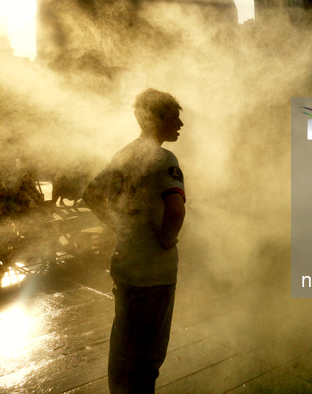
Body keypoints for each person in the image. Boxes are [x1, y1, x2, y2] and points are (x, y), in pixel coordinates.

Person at [83, 88, 186, 393]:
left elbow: (92, 194)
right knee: (147, 358)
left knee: (123, 349)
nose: (180, 124)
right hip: (154, 273)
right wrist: (166, 243)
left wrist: (120, 228)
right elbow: (176, 211)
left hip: (126, 264)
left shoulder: (124, 154)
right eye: (175, 116)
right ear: (155, 118)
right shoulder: (163, 157)